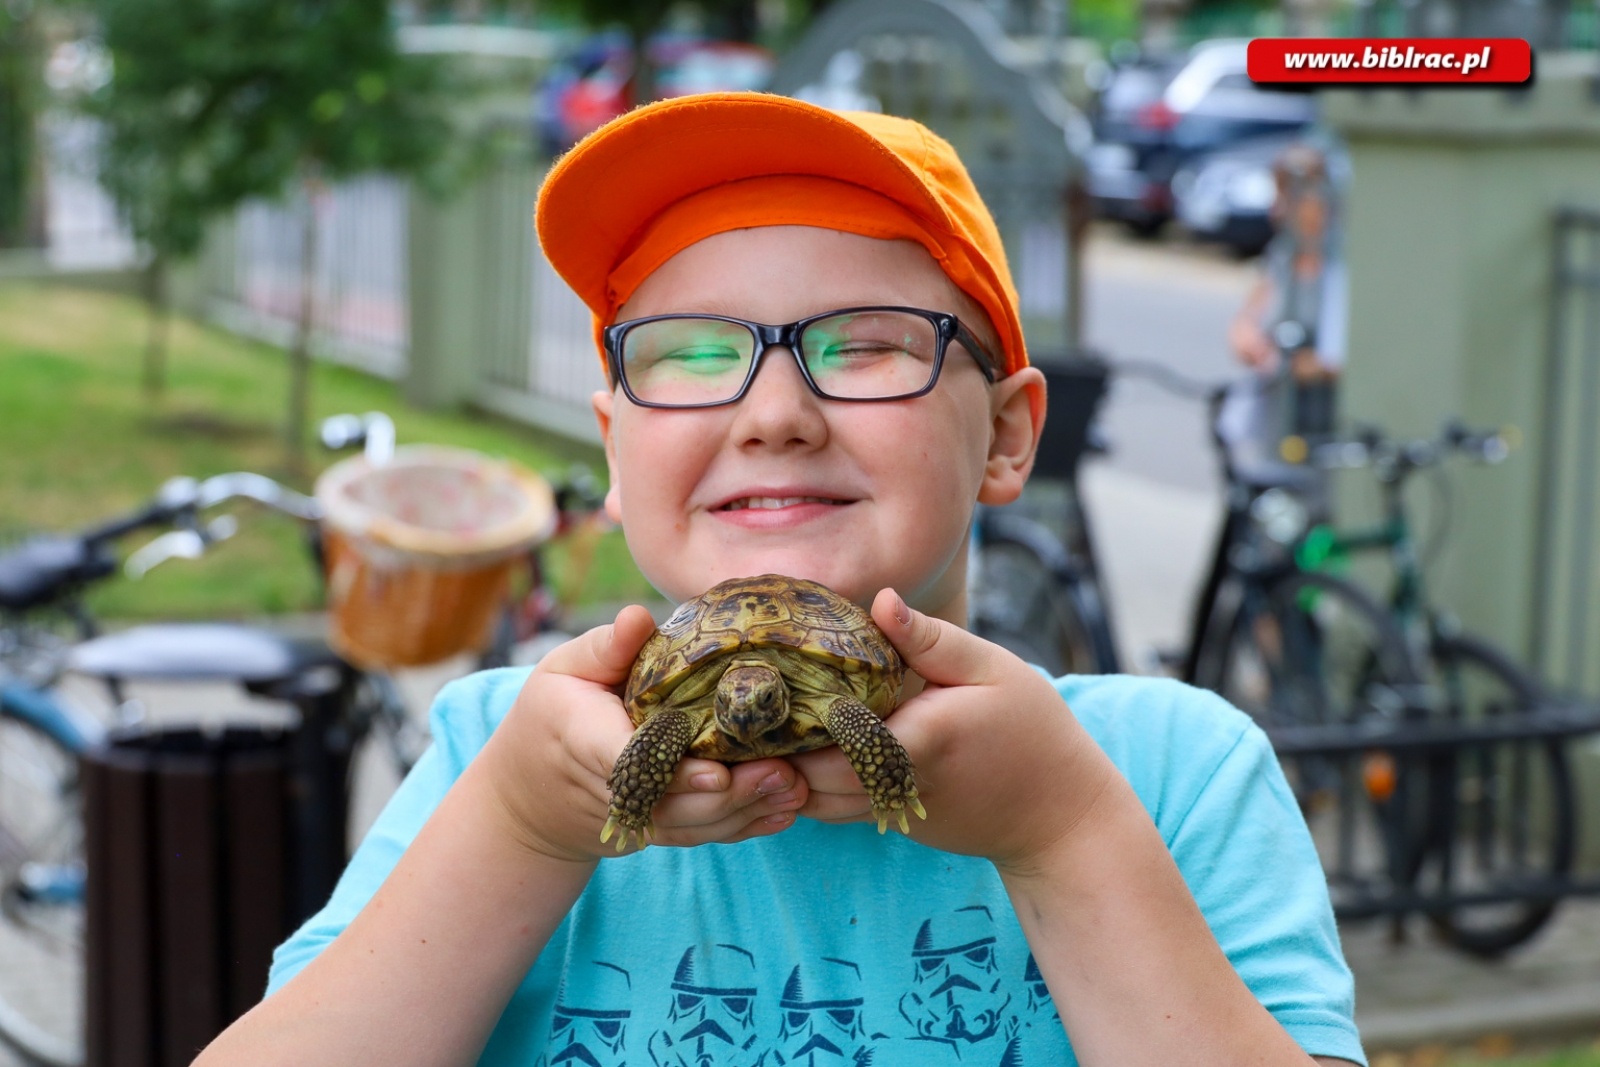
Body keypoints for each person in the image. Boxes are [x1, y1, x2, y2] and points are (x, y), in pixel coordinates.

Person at [193, 92, 1365, 1067]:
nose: (772, 413)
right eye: (691, 355)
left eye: (864, 344)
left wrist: (1061, 829)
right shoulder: (505, 755)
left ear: (1009, 435)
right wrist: (517, 829)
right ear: (613, 447)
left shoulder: (1165, 773)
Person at [1221, 140, 1348, 468]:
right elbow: (1250, 318)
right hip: (1274, 423)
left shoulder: (1344, 266)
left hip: (1326, 429)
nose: (1276, 210)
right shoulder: (1282, 256)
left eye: (1288, 197)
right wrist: (1247, 336)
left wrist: (1313, 366)